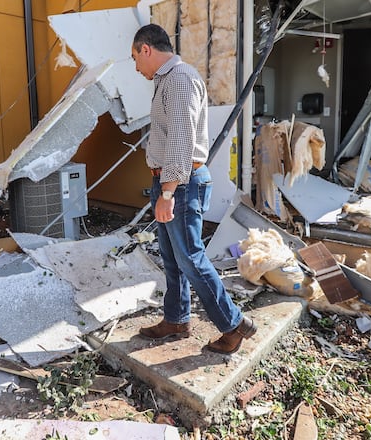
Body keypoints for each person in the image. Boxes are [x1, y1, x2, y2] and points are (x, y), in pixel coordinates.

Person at [131, 24, 257, 354]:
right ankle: (176, 319)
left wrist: (168, 193)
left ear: (146, 49)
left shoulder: (180, 79)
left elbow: (182, 142)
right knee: (173, 259)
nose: (136, 67)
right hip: (171, 180)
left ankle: (234, 325)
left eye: (135, 58)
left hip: (182, 183)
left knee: (191, 260)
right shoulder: (166, 80)